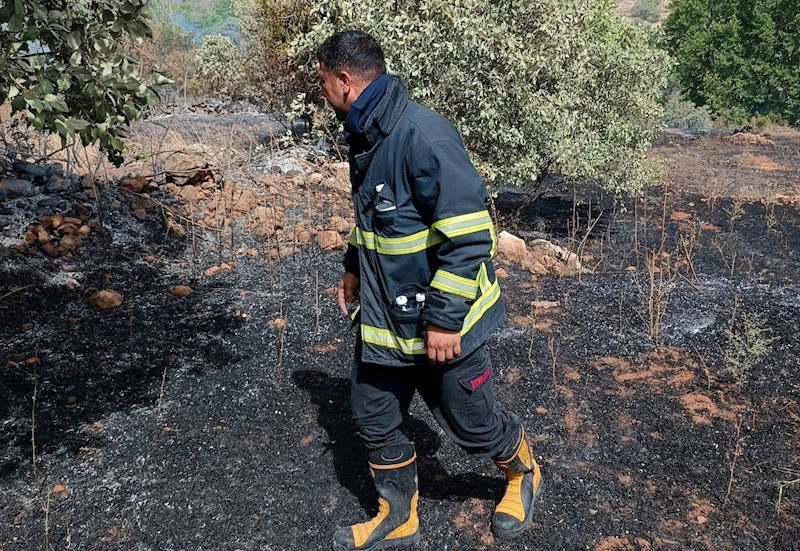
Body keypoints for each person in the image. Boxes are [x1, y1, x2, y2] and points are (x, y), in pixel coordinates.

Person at [317, 30, 542, 551]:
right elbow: (378, 217)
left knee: (474, 426)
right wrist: (353, 263)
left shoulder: (422, 136)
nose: (322, 93)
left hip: (439, 323)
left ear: (345, 80)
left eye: (324, 82)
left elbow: (469, 238)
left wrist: (443, 319)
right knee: (373, 413)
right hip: (384, 319)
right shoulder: (369, 132)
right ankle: (399, 517)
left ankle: (522, 471)